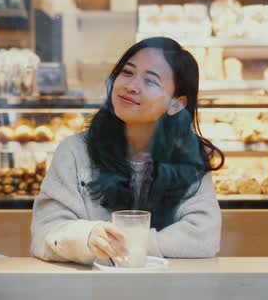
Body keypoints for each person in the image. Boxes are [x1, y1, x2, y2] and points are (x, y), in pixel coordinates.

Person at [31, 37, 225, 264]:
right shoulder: (74, 151)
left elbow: (204, 235)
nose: (131, 86)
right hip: (92, 290)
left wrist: (128, 247)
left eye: (151, 81)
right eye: (127, 72)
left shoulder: (186, 156)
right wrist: (87, 237)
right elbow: (46, 231)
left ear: (176, 104)